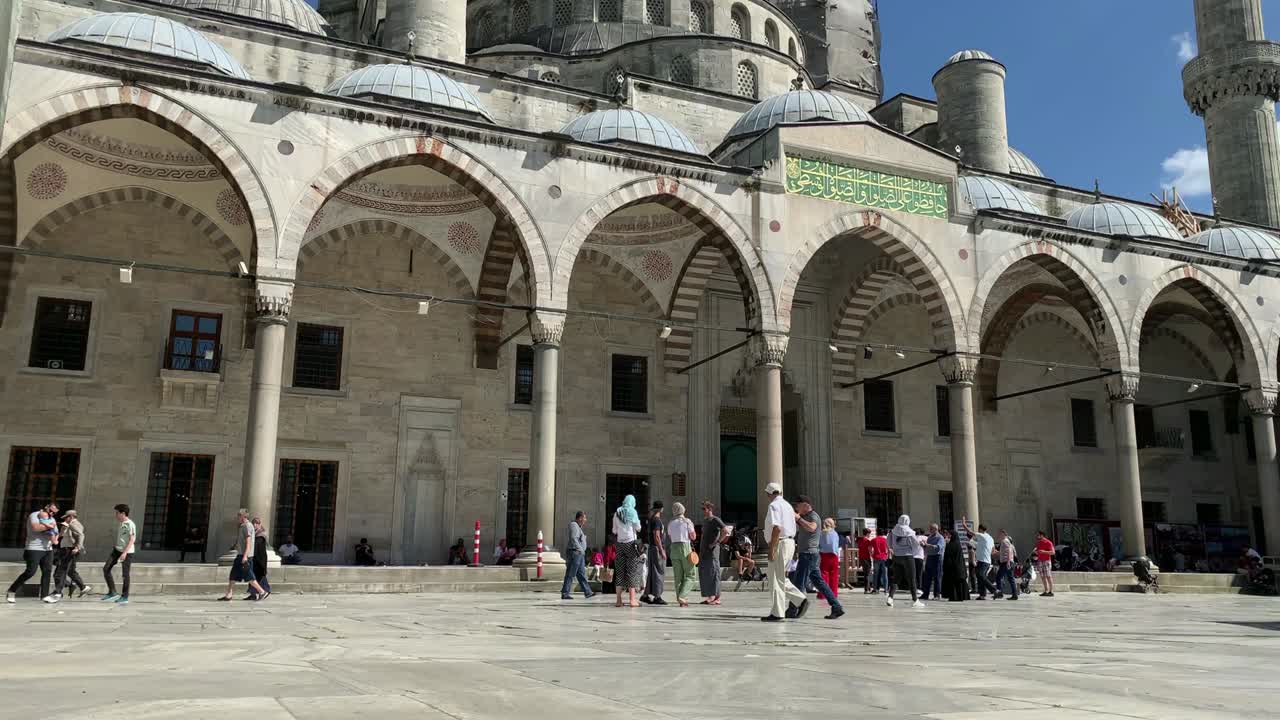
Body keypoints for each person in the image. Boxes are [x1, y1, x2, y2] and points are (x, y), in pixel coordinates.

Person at [791, 498, 844, 619]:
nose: (797, 509)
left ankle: (792, 609)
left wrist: (799, 518)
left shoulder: (814, 516)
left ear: (805, 505)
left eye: (798, 506)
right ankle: (836, 606)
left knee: (799, 582)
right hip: (808, 554)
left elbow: (812, 527)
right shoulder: (806, 516)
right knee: (818, 582)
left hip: (808, 554)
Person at [761, 484, 807, 622]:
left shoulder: (774, 506)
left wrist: (772, 548)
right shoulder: (787, 505)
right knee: (780, 577)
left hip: (780, 543)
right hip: (789, 542)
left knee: (775, 579)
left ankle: (778, 612)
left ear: (769, 494)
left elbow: (777, 528)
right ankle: (799, 599)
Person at [6, 502, 59, 604]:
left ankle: (44, 595)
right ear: (46, 507)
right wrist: (50, 527)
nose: (51, 514)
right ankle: (12, 590)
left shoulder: (52, 519)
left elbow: (56, 532)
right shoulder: (35, 515)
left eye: (54, 513)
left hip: (48, 549)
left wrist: (54, 537)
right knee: (30, 571)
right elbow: (36, 528)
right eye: (50, 511)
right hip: (34, 548)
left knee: (47, 572)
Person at [218, 508, 266, 602]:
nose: (237, 517)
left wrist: (245, 556)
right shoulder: (242, 526)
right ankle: (229, 594)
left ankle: (261, 592)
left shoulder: (247, 526)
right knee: (233, 575)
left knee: (249, 576)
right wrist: (235, 546)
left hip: (244, 556)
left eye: (239, 515)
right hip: (240, 555)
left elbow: (248, 542)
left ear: (243, 516)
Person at [612, 495, 645, 607]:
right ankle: (632, 600)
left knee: (620, 573)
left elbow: (614, 530)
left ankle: (618, 600)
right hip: (631, 544)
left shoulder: (617, 513)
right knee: (632, 571)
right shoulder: (633, 512)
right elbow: (638, 528)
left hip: (619, 545)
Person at [101, 503, 135, 605]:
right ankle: (112, 591)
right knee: (106, 568)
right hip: (117, 550)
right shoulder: (121, 523)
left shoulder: (130, 524)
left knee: (125, 574)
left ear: (123, 513)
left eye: (117, 513)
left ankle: (125, 596)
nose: (115, 515)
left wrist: (124, 553)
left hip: (127, 552)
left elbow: (132, 539)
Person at [51, 509, 89, 601]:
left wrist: (77, 548)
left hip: (69, 550)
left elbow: (81, 535)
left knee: (60, 571)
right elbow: (65, 535)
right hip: (67, 550)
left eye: (66, 518)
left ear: (71, 517)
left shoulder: (73, 524)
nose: (65, 519)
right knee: (70, 571)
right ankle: (82, 587)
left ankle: (58, 592)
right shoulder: (70, 524)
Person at [887, 514, 923, 608]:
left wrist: (895, 549)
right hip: (908, 556)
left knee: (896, 578)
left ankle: (890, 597)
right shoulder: (910, 532)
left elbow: (889, 543)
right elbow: (916, 544)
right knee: (912, 578)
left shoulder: (893, 531)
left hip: (896, 556)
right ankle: (915, 599)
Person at [667, 502, 698, 607]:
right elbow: (693, 537)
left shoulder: (671, 523)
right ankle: (682, 595)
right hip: (685, 547)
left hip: (674, 548)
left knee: (678, 576)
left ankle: (680, 599)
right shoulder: (687, 521)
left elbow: (670, 537)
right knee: (691, 574)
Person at [698, 500, 728, 605]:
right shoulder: (706, 520)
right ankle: (713, 596)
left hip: (712, 551)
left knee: (714, 572)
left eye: (704, 509)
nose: (703, 511)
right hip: (704, 551)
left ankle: (714, 596)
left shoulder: (715, 519)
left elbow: (725, 530)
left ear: (710, 509)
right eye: (702, 509)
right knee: (707, 573)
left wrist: (717, 542)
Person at [560, 511, 594, 600]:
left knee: (581, 574)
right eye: (584, 518)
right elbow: (573, 538)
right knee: (570, 573)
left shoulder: (579, 527)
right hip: (575, 553)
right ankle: (565, 593)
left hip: (579, 553)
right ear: (580, 518)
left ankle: (588, 592)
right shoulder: (574, 525)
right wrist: (580, 549)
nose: (585, 520)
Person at [641, 501, 667, 605]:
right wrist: (662, 550)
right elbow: (657, 536)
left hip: (652, 548)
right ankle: (657, 596)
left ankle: (645, 595)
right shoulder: (657, 520)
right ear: (661, 509)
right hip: (656, 548)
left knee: (652, 572)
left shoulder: (651, 519)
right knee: (659, 572)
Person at [969, 522, 998, 600]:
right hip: (987, 561)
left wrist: (964, 524)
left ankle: (995, 590)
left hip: (983, 561)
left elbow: (969, 532)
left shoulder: (981, 535)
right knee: (980, 577)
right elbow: (993, 551)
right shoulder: (991, 538)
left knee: (980, 575)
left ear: (980, 529)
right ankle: (982, 595)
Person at [818, 517, 842, 604]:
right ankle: (833, 594)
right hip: (833, 555)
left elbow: (819, 544)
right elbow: (836, 545)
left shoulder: (821, 533)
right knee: (834, 575)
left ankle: (823, 594)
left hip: (823, 555)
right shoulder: (835, 533)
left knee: (823, 574)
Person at [248, 517, 272, 601]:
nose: (255, 525)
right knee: (252, 575)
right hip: (254, 558)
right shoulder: (254, 534)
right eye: (254, 523)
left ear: (260, 524)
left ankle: (266, 590)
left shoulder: (261, 535)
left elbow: (257, 548)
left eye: (257, 523)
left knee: (259, 576)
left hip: (259, 559)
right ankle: (253, 594)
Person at [941, 528, 969, 601]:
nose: (949, 537)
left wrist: (945, 567)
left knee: (953, 584)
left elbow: (948, 557)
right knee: (960, 583)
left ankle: (954, 597)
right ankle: (962, 597)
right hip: (960, 567)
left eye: (950, 535)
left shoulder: (950, 545)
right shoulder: (958, 545)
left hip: (952, 568)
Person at [921, 523, 945, 601]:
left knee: (937, 576)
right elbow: (927, 548)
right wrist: (924, 545)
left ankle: (937, 595)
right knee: (927, 576)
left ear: (936, 529)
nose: (930, 530)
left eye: (931, 529)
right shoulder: (930, 537)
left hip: (937, 558)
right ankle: (925, 594)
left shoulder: (940, 537)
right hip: (930, 557)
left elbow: (938, 547)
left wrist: (928, 545)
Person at [994, 529, 1019, 600]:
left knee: (999, 577)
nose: (998, 535)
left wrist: (1008, 562)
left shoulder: (1005, 541)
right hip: (1006, 562)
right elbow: (1003, 552)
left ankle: (1000, 593)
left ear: (1003, 534)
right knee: (1009, 578)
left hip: (1006, 563)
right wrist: (996, 552)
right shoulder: (1004, 541)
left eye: (999, 534)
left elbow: (1009, 551)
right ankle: (1014, 594)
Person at [1034, 530, 1055, 597]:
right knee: (1042, 576)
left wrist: (1044, 551)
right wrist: (1036, 553)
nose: (1037, 536)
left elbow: (1053, 552)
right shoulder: (1038, 543)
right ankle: (1046, 590)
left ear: (1042, 535)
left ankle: (1051, 591)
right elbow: (1038, 552)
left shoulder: (1048, 542)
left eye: (1038, 535)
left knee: (1048, 576)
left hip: (1046, 561)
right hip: (1040, 561)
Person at [871, 527, 890, 593]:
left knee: (875, 574)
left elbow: (870, 548)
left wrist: (871, 554)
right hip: (884, 558)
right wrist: (888, 556)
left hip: (876, 557)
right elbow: (889, 549)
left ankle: (875, 588)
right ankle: (886, 589)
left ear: (877, 532)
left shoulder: (874, 540)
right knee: (885, 575)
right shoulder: (886, 540)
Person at [856, 528, 874, 593]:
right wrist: (873, 556)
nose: (870, 535)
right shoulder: (867, 541)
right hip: (866, 558)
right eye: (869, 534)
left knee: (865, 573)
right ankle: (866, 589)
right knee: (867, 574)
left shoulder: (859, 540)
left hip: (861, 558)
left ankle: (868, 588)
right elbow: (870, 550)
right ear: (867, 533)